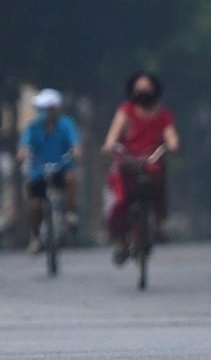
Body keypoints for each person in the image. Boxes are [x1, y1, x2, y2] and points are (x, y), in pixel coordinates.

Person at [100, 71, 181, 265]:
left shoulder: (163, 115)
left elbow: (171, 137)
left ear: (155, 90)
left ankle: (158, 225)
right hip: (127, 163)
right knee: (119, 203)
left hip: (152, 162)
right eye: (139, 87)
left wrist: (173, 144)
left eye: (147, 87)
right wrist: (110, 144)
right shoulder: (125, 111)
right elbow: (113, 135)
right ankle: (120, 242)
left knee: (159, 186)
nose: (143, 90)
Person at [16, 88, 81, 253]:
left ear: (56, 109)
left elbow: (75, 145)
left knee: (71, 178)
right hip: (38, 170)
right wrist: (23, 154)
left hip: (62, 167)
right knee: (35, 204)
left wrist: (76, 152)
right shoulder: (32, 127)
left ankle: (70, 213)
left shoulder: (67, 125)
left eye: (49, 108)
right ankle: (36, 237)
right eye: (42, 109)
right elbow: (24, 148)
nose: (46, 112)